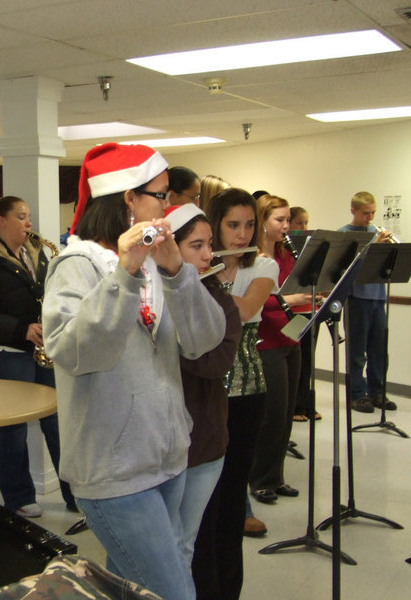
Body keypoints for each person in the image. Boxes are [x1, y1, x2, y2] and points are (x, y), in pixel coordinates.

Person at [42, 143, 225, 600]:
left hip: (166, 457)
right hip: (114, 470)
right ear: (129, 198)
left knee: (129, 589)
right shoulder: (76, 265)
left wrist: (178, 273)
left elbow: (205, 341)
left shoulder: (158, 266)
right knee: (176, 591)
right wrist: (124, 272)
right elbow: (72, 352)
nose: (169, 207)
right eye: (161, 195)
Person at [0, 196, 75, 518]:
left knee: (56, 421)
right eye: (22, 217)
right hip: (7, 350)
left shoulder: (35, 255)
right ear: (1, 221)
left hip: (41, 348)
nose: (29, 224)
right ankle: (18, 497)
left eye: (29, 217)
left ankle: (73, 493)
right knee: (15, 427)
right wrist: (21, 329)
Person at [192, 188, 277, 600]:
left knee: (231, 499)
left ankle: (227, 590)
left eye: (248, 225)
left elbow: (244, 311)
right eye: (232, 225)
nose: (242, 235)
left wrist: (204, 279)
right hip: (205, 391)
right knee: (202, 502)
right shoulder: (199, 263)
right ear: (216, 224)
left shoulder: (264, 264)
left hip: (246, 388)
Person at [165, 203, 242, 568]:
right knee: (155, 547)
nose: (209, 255)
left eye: (209, 244)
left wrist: (162, 344)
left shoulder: (218, 300)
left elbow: (215, 362)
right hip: (156, 445)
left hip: (203, 442)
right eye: (196, 246)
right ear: (169, 249)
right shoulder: (145, 295)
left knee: (182, 544)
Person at [249, 195, 310, 504]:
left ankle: (276, 477)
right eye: (279, 220)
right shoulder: (254, 258)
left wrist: (311, 296)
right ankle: (259, 479)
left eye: (288, 220)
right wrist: (292, 300)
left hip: (291, 338)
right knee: (271, 414)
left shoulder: (287, 254)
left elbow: (293, 287)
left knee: (286, 414)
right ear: (263, 222)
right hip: (267, 341)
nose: (286, 226)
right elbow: (256, 298)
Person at [338, 191, 396, 413]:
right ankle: (357, 394)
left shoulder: (376, 232)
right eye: (365, 213)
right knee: (357, 351)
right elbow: (346, 267)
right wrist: (373, 246)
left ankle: (377, 392)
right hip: (356, 297)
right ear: (353, 210)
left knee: (379, 349)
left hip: (378, 296)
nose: (370, 218)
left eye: (372, 213)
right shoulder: (345, 234)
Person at [288, 206, 320, 422]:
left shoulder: (307, 250)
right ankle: (295, 407)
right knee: (296, 360)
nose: (303, 227)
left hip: (310, 311)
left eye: (306, 223)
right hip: (293, 313)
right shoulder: (287, 251)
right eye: (299, 223)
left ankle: (306, 404)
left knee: (308, 360)